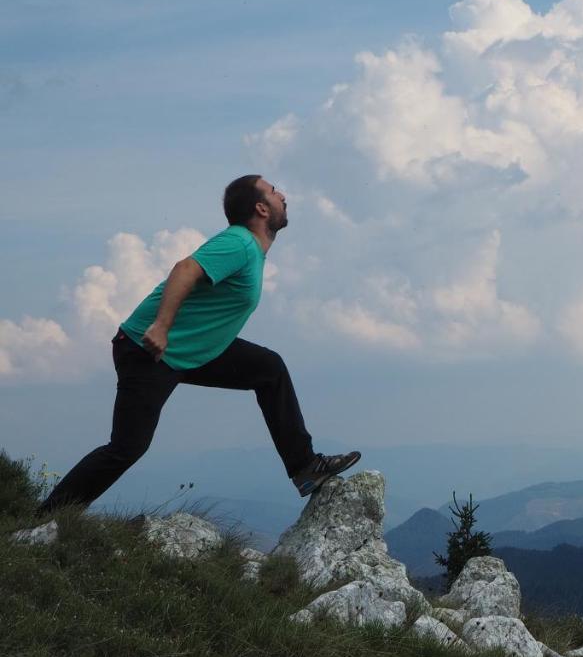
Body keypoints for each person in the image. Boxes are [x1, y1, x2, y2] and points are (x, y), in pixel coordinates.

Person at [37, 175, 359, 516]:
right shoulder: (240, 243)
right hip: (148, 349)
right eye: (274, 191)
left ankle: (304, 468)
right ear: (261, 208)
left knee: (269, 369)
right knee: (126, 448)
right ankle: (47, 519)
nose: (284, 195)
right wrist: (160, 327)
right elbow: (185, 269)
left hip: (192, 352)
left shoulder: (251, 249)